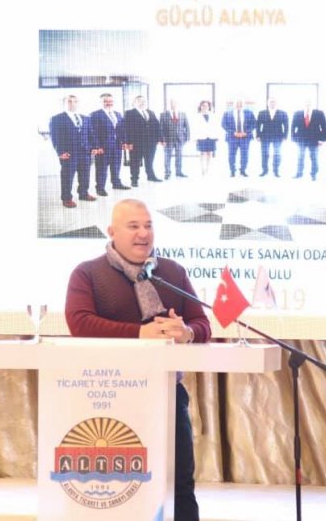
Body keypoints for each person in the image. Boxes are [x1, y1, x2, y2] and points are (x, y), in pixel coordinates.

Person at [65, 199, 212, 521]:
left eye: (148, 226)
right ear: (112, 232)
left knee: (180, 484)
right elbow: (80, 323)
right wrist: (139, 333)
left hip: (167, 395)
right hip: (107, 397)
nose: (143, 234)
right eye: (133, 226)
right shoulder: (88, 273)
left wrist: (186, 332)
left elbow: (203, 324)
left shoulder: (172, 272)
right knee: (117, 487)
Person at [49, 95, 96, 208]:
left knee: (85, 175)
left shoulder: (85, 118)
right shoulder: (57, 118)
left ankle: (83, 194)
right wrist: (60, 152)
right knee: (67, 176)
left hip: (85, 152)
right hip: (68, 153)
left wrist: (93, 147)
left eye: (75, 101)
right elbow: (54, 137)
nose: (72, 103)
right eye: (69, 101)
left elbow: (90, 134)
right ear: (64, 103)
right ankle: (67, 198)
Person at [89, 93, 130, 197]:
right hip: (103, 147)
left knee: (116, 166)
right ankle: (100, 188)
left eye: (110, 101)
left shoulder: (118, 114)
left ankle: (116, 183)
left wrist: (124, 142)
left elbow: (122, 129)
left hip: (117, 146)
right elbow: (93, 133)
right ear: (101, 102)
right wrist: (97, 147)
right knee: (101, 168)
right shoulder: (95, 115)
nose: (109, 103)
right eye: (105, 101)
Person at [122, 95, 162, 187]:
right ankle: (134, 179)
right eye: (139, 101)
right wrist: (128, 142)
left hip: (151, 142)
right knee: (135, 162)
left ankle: (151, 176)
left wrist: (159, 139)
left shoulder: (150, 112)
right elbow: (126, 128)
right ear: (134, 103)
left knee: (149, 161)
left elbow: (157, 126)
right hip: (136, 143)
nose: (142, 103)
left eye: (144, 101)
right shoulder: (129, 113)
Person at [290, 99, 326, 180]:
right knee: (300, 157)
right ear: (303, 104)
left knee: (314, 157)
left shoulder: (319, 113)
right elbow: (293, 126)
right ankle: (299, 173)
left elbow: (324, 127)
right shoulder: (297, 113)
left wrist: (322, 139)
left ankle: (314, 174)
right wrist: (293, 138)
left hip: (314, 139)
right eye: (306, 103)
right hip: (301, 139)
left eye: (309, 103)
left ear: (312, 104)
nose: (307, 105)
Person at [220, 99, 256, 177]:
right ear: (234, 104)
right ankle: (232, 171)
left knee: (244, 155)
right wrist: (233, 132)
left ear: (243, 104)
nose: (239, 104)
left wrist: (246, 132)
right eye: (237, 103)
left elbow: (254, 123)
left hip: (245, 137)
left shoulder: (249, 112)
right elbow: (223, 124)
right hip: (232, 137)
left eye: (240, 103)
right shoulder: (227, 113)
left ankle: (243, 170)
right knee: (231, 155)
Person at [255, 97, 288, 177]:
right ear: (268, 103)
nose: (272, 103)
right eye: (270, 102)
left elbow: (286, 125)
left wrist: (285, 136)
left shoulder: (283, 113)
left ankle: (276, 171)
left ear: (276, 103)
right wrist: (258, 135)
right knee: (264, 153)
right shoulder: (261, 113)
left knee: (277, 154)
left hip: (278, 136)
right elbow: (258, 125)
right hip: (265, 136)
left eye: (274, 102)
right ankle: (264, 170)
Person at [160, 99, 190, 179]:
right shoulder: (163, 114)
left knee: (179, 156)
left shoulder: (182, 114)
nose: (173, 105)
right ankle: (167, 173)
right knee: (167, 157)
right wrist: (162, 140)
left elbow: (187, 126)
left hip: (180, 139)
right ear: (169, 104)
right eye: (171, 103)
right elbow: (161, 128)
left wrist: (187, 138)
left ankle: (179, 172)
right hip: (168, 140)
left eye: (175, 103)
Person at [193, 100, 222, 176]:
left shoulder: (213, 116)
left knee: (209, 153)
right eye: (203, 105)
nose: (204, 107)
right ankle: (202, 169)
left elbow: (216, 126)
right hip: (201, 137)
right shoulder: (196, 116)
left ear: (209, 107)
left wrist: (217, 136)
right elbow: (194, 128)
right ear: (200, 107)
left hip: (211, 136)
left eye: (206, 106)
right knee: (202, 153)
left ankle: (207, 169)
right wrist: (195, 139)